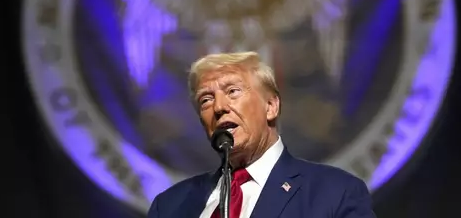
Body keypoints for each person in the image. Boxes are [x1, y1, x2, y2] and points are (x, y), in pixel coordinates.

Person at [147, 51, 376, 218]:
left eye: (232, 91)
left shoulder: (335, 193)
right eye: (206, 100)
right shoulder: (169, 207)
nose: (219, 107)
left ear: (271, 106)